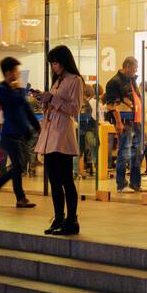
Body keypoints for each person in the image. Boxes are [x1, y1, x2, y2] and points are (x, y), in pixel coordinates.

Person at [37, 45, 83, 235]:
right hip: (49, 133)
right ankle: (58, 217)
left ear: (64, 61)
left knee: (65, 179)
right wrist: (44, 99)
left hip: (62, 135)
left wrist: (53, 100)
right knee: (54, 180)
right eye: (52, 64)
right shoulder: (58, 81)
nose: (54, 67)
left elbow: (75, 108)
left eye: (55, 63)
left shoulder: (75, 81)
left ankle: (71, 220)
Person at [0, 57, 40, 209]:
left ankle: (10, 193)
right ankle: (15, 195)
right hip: (10, 134)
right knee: (19, 166)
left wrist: (34, 126)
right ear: (8, 72)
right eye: (16, 70)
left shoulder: (12, 89)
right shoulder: (3, 89)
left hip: (19, 133)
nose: (18, 73)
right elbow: (19, 103)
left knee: (19, 166)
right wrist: (21, 88)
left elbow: (25, 108)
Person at [103, 57, 144, 193]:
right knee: (124, 153)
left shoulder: (132, 81)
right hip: (125, 122)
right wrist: (119, 122)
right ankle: (121, 185)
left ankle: (135, 183)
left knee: (137, 153)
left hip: (136, 121)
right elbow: (112, 105)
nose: (136, 70)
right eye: (134, 67)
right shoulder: (114, 82)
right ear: (127, 66)